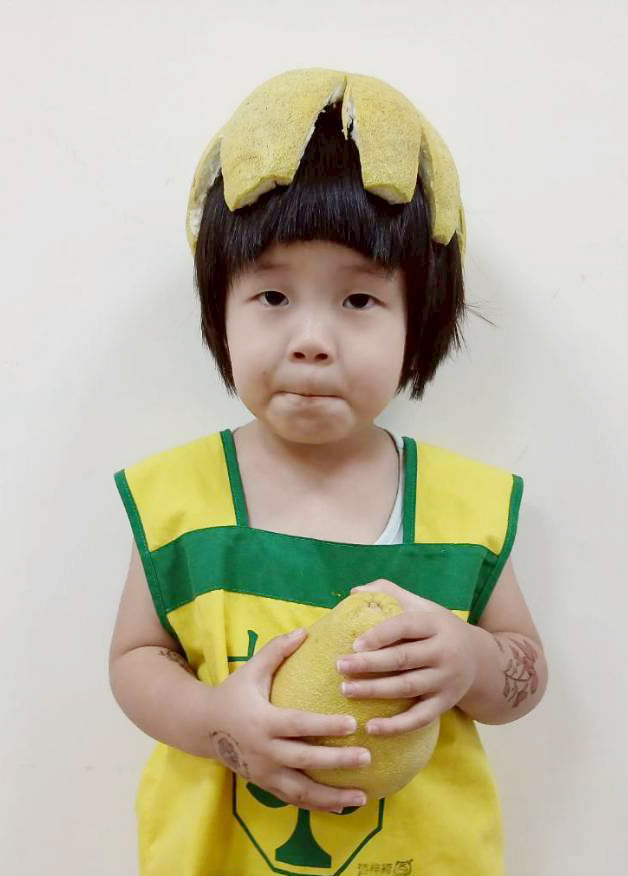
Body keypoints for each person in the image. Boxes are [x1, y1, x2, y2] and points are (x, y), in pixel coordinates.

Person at [108, 68, 548, 876]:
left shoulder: (464, 508)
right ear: (221, 310)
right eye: (274, 296)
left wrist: (473, 660)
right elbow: (135, 660)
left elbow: (525, 670)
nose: (311, 340)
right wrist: (216, 722)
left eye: (358, 301)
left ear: (420, 321)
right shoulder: (179, 499)